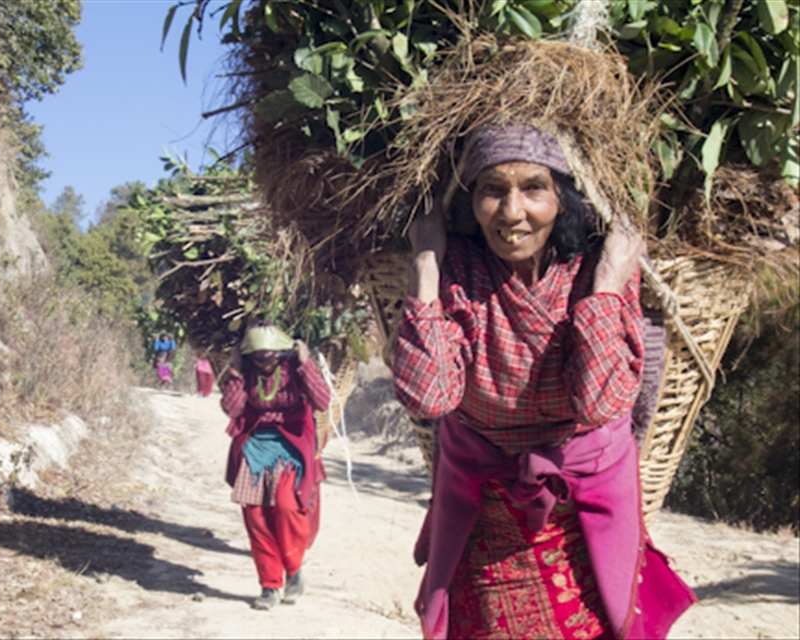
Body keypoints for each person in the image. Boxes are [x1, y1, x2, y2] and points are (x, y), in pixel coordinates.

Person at [393, 124, 696, 639]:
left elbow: (600, 401)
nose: (512, 213)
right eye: (492, 190)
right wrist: (426, 264)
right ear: (470, 201)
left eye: (533, 188)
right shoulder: (458, 272)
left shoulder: (595, 271)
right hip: (489, 518)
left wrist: (605, 286)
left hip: (581, 517)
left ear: (564, 198)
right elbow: (428, 396)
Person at [220, 323, 330, 610]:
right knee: (255, 515)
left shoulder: (294, 369)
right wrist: (235, 369)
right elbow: (232, 409)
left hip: (291, 443)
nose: (265, 362)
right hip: (255, 445)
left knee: (285, 505)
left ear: (282, 352)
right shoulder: (245, 372)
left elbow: (322, 401)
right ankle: (269, 585)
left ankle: (294, 571)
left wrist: (306, 363)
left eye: (270, 355)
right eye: (258, 357)